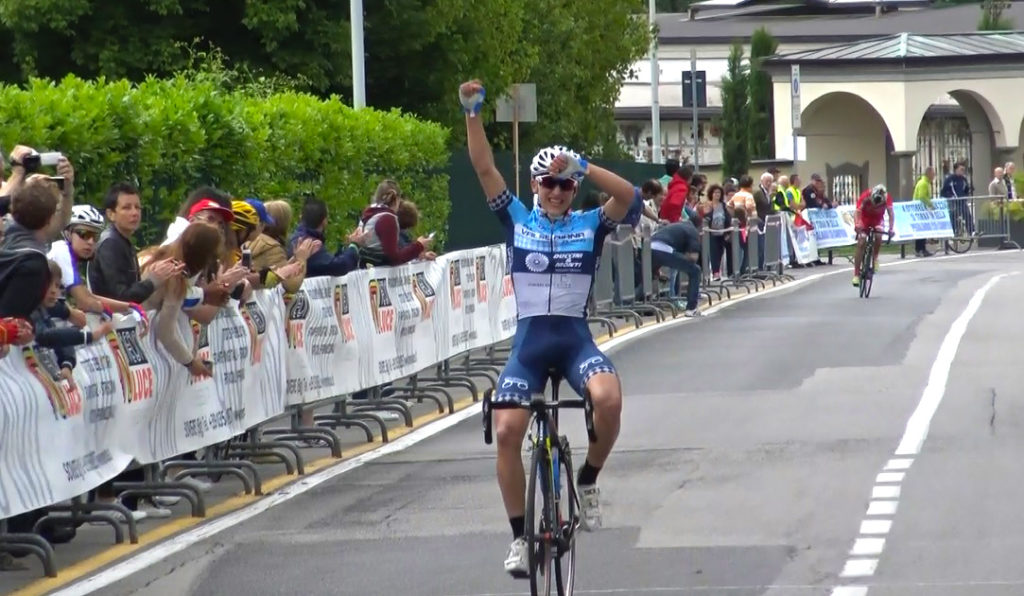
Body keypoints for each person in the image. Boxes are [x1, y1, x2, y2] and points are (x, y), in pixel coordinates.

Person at [460, 78, 641, 578]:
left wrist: (584, 165)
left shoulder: (591, 222)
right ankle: (519, 539)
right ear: (535, 187)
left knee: (608, 399)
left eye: (566, 185)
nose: (558, 192)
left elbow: (628, 196)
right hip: (531, 343)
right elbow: (483, 167)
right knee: (507, 430)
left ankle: (586, 481)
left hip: (575, 338)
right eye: (549, 183)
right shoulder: (517, 219)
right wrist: (473, 112)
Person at [853, 184, 894, 286]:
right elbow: (857, 211)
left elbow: (891, 214)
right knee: (861, 240)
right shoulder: (865, 196)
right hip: (864, 219)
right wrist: (857, 224)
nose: (876, 206)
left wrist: (891, 229)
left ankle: (875, 257)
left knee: (879, 235)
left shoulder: (887, 198)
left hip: (877, 220)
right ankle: (856, 274)